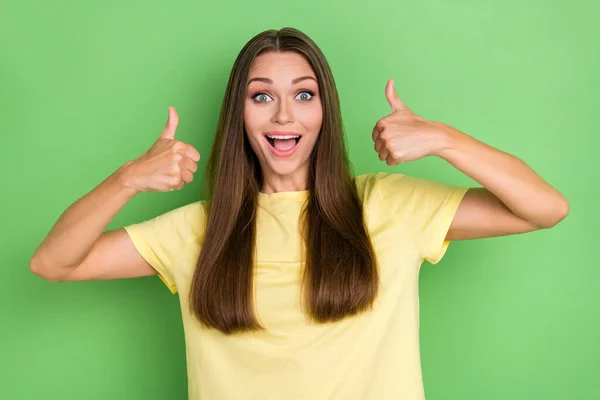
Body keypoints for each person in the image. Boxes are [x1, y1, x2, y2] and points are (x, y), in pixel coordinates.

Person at [30, 27, 569, 400]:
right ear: (237, 114)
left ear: (324, 110)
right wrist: (127, 179)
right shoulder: (200, 230)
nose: (284, 114)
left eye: (303, 95)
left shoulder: (388, 205)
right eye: (261, 97)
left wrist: (443, 140)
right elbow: (54, 262)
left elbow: (545, 207)